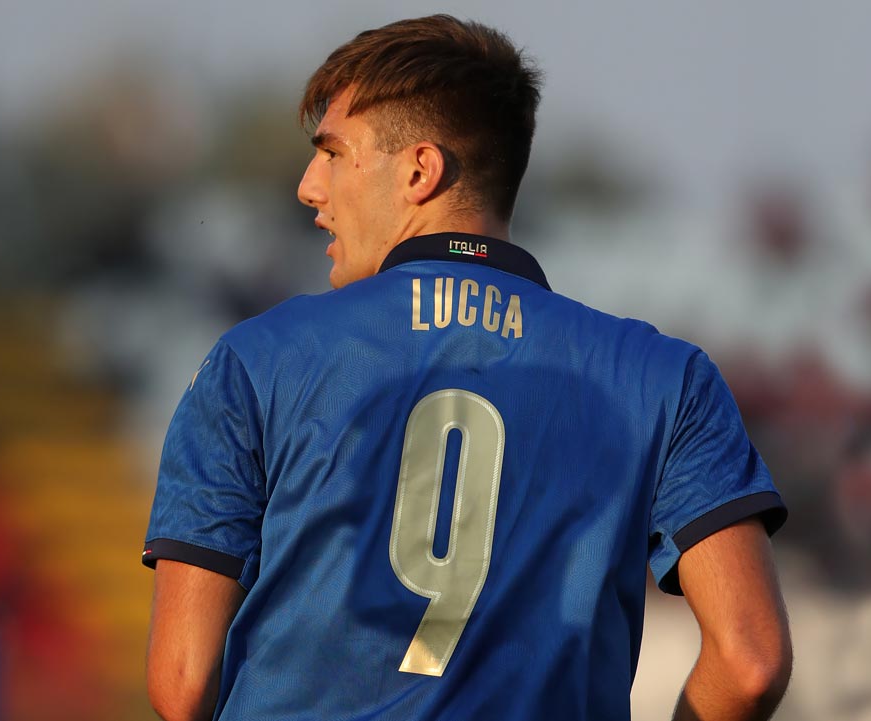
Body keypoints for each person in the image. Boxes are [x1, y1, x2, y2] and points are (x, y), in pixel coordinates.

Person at [143, 15, 792, 721]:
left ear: (420, 171)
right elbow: (750, 662)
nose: (308, 186)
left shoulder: (253, 362)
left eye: (332, 153)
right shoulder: (665, 378)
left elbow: (182, 681)